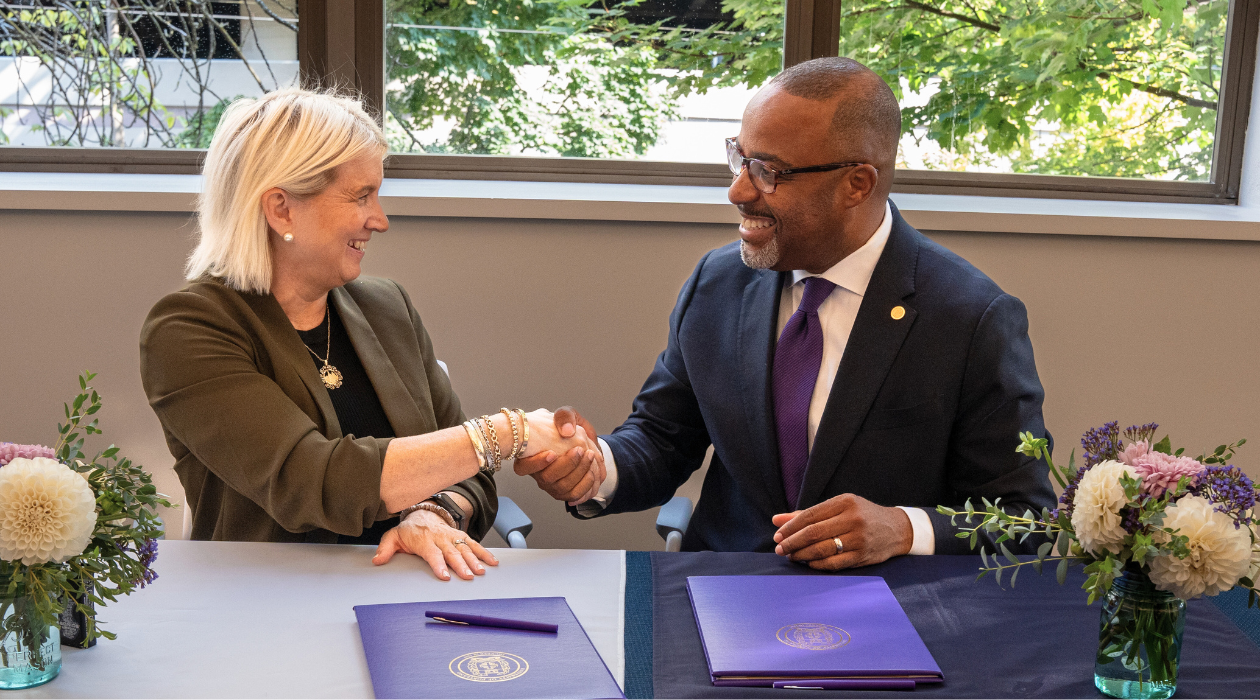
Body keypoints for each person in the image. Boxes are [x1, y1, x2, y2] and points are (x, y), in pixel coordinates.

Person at [517, 57, 1056, 568]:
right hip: (727, 590)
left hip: (890, 613)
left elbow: (1027, 518)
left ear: (856, 184)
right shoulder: (718, 283)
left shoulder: (970, 316)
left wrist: (904, 528)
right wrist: (594, 469)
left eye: (769, 171)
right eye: (740, 158)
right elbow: (662, 438)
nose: (737, 190)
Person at [140, 88, 604, 581]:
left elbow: (471, 474)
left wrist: (435, 514)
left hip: (406, 595)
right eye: (361, 196)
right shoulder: (187, 330)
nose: (380, 220)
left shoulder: (387, 308)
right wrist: (508, 432)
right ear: (281, 210)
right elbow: (313, 481)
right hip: (265, 608)